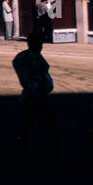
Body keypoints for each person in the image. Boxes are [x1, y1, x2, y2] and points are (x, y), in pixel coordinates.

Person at [12, 33, 58, 164]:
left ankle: (24, 154)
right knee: (30, 126)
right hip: (34, 96)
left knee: (30, 126)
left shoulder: (33, 56)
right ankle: (22, 155)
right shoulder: (26, 58)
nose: (41, 46)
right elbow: (26, 79)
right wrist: (35, 94)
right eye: (39, 43)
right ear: (32, 43)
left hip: (38, 95)